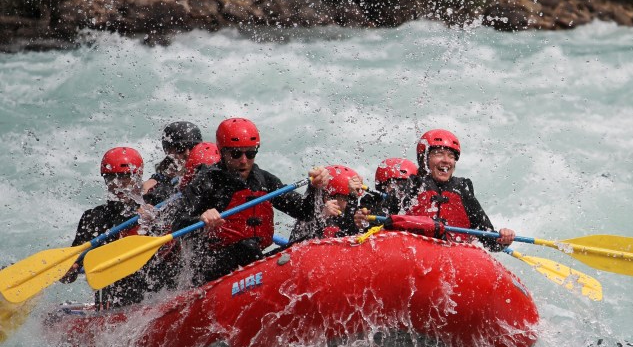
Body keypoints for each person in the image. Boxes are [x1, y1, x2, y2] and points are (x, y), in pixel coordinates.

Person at [171, 117, 330, 285]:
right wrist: (201, 218)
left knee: (307, 242)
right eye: (236, 153)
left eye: (250, 153)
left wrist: (315, 188)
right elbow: (178, 224)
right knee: (247, 247)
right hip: (212, 267)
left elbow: (305, 212)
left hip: (252, 261)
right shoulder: (207, 181)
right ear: (222, 151)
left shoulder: (264, 180)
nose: (244, 160)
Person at [355, 129, 515, 251]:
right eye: (438, 153)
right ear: (424, 158)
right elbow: (375, 224)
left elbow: (489, 240)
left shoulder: (463, 192)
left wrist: (503, 239)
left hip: (455, 259)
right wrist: (363, 219)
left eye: (451, 156)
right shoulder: (408, 189)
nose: (446, 161)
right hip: (411, 254)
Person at [60, 147, 153, 307]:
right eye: (112, 178)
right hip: (110, 306)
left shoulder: (153, 209)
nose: (119, 184)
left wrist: (152, 218)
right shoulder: (93, 218)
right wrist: (69, 269)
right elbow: (69, 276)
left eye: (126, 177)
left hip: (152, 296)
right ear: (105, 181)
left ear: (138, 178)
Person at [289, 164, 364, 242]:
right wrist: (323, 217)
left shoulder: (350, 216)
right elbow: (298, 241)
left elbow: (350, 236)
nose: (348, 204)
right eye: (345, 198)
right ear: (327, 197)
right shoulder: (308, 213)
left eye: (351, 199)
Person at [143, 121, 203, 204]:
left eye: (192, 147)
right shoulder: (153, 185)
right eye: (180, 148)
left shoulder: (208, 172)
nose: (188, 153)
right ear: (168, 152)